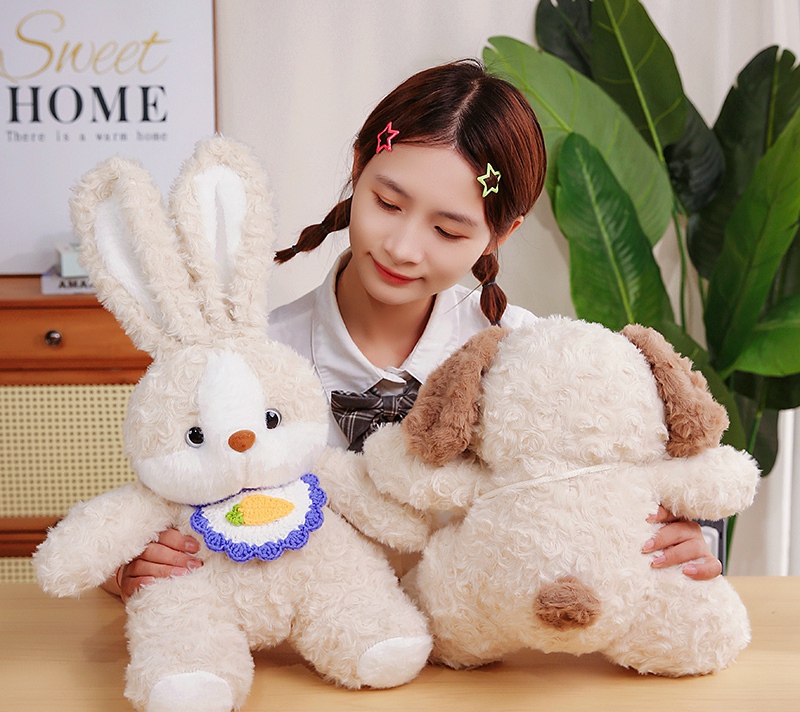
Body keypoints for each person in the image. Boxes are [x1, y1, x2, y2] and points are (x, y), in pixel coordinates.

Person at [107, 60, 721, 600]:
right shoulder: (248, 358)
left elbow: (632, 489)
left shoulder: (536, 360)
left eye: (447, 231)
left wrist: (687, 540)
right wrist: (130, 564)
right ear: (359, 166)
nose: (402, 247)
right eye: (388, 203)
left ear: (500, 234)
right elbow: (152, 510)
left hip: (479, 666)